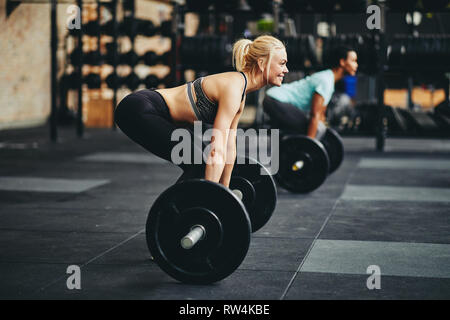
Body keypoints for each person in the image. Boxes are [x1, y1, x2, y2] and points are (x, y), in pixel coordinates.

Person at [114, 35, 288, 188]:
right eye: (282, 64)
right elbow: (216, 150)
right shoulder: (234, 88)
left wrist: (225, 189)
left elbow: (229, 148)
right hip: (141, 108)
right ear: (262, 63)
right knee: (200, 164)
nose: (286, 70)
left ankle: (183, 211)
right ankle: (176, 216)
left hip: (158, 113)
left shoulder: (240, 95)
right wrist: (211, 195)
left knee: (200, 162)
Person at [263, 46, 358, 139]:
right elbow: (314, 115)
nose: (356, 65)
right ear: (342, 62)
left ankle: (287, 147)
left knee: (316, 127)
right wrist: (311, 144)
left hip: (275, 98)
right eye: (353, 61)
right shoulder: (326, 81)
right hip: (276, 99)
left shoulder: (328, 79)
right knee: (310, 127)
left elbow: (321, 115)